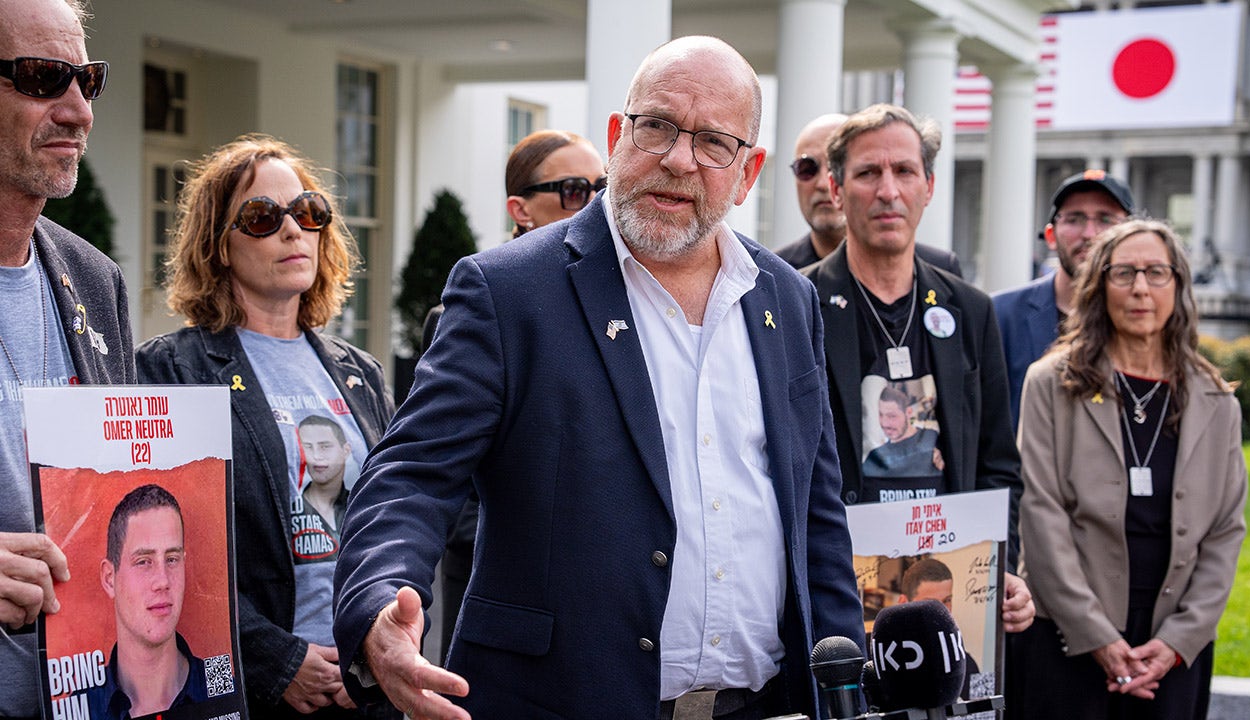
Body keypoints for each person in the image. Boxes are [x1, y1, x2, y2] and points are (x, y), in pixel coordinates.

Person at [334, 35, 862, 720]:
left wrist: (843, 677)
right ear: (618, 136)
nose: (677, 158)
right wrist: (379, 602)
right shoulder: (508, 292)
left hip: (766, 705)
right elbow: (410, 477)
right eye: (657, 127)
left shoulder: (787, 300)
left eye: (712, 142)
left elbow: (816, 513)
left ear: (749, 171)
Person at [134, 134, 395, 720]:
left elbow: (390, 517)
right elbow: (162, 546)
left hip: (363, 682)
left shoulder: (360, 373)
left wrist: (380, 641)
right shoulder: (170, 369)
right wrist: (274, 659)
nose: (292, 229)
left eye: (308, 212)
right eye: (260, 217)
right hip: (253, 690)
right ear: (219, 246)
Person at [799, 104, 1032, 633]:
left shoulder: (971, 311)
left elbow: (999, 465)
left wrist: (1000, 565)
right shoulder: (798, 304)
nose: (888, 191)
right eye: (867, 173)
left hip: (950, 585)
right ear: (836, 190)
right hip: (837, 589)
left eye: (904, 171)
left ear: (928, 186)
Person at [1011, 219, 1246, 720]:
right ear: (1099, 286)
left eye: (1156, 272)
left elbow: (1226, 531)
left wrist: (1179, 639)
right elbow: (1041, 514)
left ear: (1178, 286)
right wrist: (1096, 636)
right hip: (1066, 636)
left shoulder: (1216, 400)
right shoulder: (1052, 383)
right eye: (1124, 273)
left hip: (1173, 647)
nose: (1141, 288)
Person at [0, 0, 136, 715]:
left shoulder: (95, 279)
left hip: (87, 693)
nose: (78, 110)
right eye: (44, 77)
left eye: (87, 80)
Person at [428, 128, 607, 664]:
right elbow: (439, 463)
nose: (594, 202)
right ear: (520, 208)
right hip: (506, 582)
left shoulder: (624, 305)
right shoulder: (480, 303)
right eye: (575, 190)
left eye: (603, 186)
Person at [993, 170, 1134, 429]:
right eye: (1074, 219)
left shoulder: (1146, 320)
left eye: (1105, 219)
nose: (1090, 233)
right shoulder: (999, 316)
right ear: (1050, 235)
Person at [774, 113, 962, 276]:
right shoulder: (771, 272)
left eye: (834, 168)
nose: (823, 183)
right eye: (807, 168)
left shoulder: (942, 271)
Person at [89, 485, 209, 719]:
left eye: (172, 559)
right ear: (109, 578)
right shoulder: (80, 706)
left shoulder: (223, 685)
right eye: (144, 562)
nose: (162, 581)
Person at [896, 558, 982, 700]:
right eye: (931, 603)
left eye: (947, 600)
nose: (943, 610)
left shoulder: (966, 664)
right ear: (903, 603)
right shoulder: (884, 660)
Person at [862, 384, 943, 479]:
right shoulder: (873, 457)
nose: (884, 423)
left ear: (908, 412)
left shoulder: (933, 437)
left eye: (892, 416)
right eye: (880, 415)